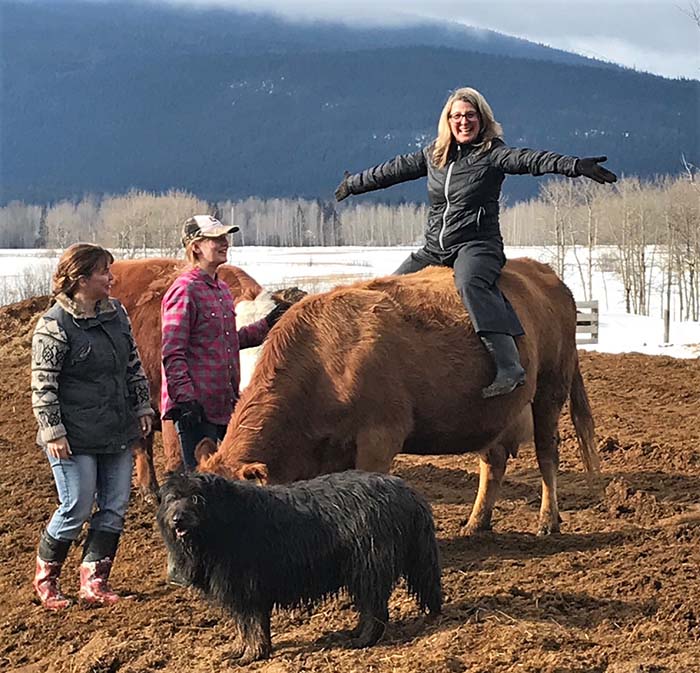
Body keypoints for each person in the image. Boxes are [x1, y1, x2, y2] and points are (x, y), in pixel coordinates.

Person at [334, 86, 617, 398]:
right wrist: (353, 184)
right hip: (435, 248)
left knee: (470, 284)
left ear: (482, 119)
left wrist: (575, 166)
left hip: (478, 245)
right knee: (390, 288)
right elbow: (393, 170)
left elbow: (530, 160)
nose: (463, 121)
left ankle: (509, 364)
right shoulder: (435, 155)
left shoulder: (492, 153)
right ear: (448, 121)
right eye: (456, 116)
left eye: (470, 115)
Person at [31, 243, 154, 610]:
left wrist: (142, 405)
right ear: (81, 279)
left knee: (115, 505)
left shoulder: (116, 314)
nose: (111, 278)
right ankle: (47, 579)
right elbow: (43, 385)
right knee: (76, 506)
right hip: (74, 436)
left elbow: (132, 364)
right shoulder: (53, 325)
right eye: (104, 272)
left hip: (116, 428)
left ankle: (95, 581)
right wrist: (53, 431)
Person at [161, 215, 287, 473]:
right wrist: (186, 400)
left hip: (225, 403)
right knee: (201, 483)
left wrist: (270, 323)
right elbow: (173, 351)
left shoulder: (221, 289)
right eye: (216, 239)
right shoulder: (184, 290)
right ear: (195, 246)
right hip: (197, 408)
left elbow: (228, 341)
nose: (224, 243)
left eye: (225, 237)